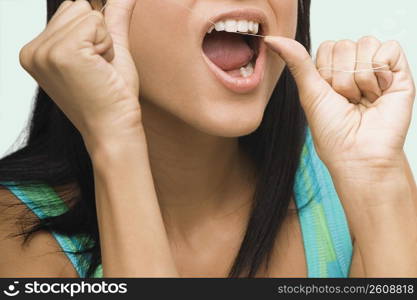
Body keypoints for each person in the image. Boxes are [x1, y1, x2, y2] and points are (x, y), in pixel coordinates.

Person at [0, 0, 416, 278]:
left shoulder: (349, 181)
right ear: (93, 8)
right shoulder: (15, 235)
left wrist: (376, 181)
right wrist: (115, 144)